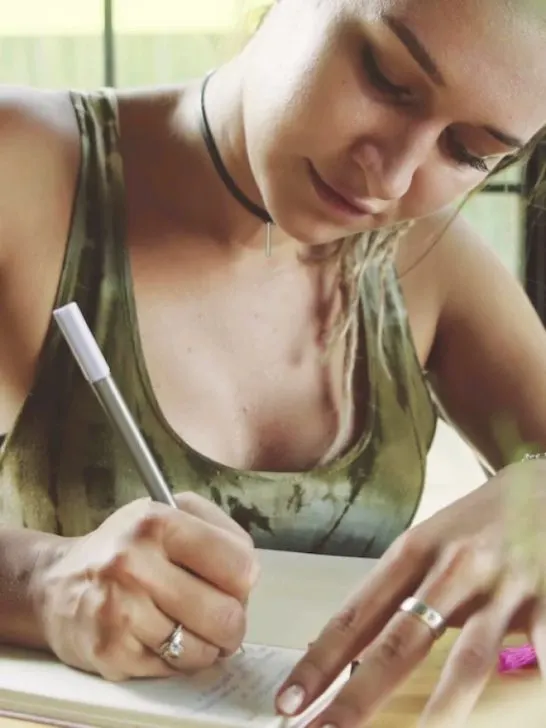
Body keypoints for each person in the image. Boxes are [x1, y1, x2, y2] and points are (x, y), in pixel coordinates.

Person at [0, 0, 545, 721]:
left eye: (468, 152)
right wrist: (40, 584)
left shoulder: (428, 260)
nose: (389, 178)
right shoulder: (24, 168)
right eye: (385, 78)